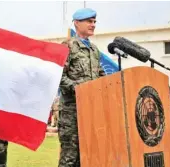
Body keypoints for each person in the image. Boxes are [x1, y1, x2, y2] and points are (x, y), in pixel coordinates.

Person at [58, 8, 105, 167]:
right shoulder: (68, 45)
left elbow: (100, 76)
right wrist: (79, 89)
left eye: (94, 22)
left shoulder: (94, 50)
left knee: (88, 157)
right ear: (77, 23)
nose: (93, 25)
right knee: (70, 158)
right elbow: (59, 75)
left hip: (91, 111)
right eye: (89, 21)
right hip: (72, 113)